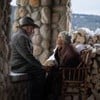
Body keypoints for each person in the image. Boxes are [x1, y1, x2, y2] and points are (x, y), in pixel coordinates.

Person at [10, 17, 46, 100]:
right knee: (40, 72)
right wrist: (41, 66)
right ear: (27, 27)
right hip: (18, 66)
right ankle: (37, 97)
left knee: (39, 70)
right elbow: (28, 56)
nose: (33, 30)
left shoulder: (21, 36)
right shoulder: (21, 37)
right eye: (32, 28)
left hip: (21, 64)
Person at [44, 31, 81, 100]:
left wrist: (56, 68)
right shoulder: (63, 47)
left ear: (64, 40)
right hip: (64, 70)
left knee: (52, 74)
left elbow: (68, 63)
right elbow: (59, 60)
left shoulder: (69, 50)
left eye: (59, 37)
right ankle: (48, 94)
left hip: (70, 73)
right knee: (50, 72)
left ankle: (52, 96)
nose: (57, 39)